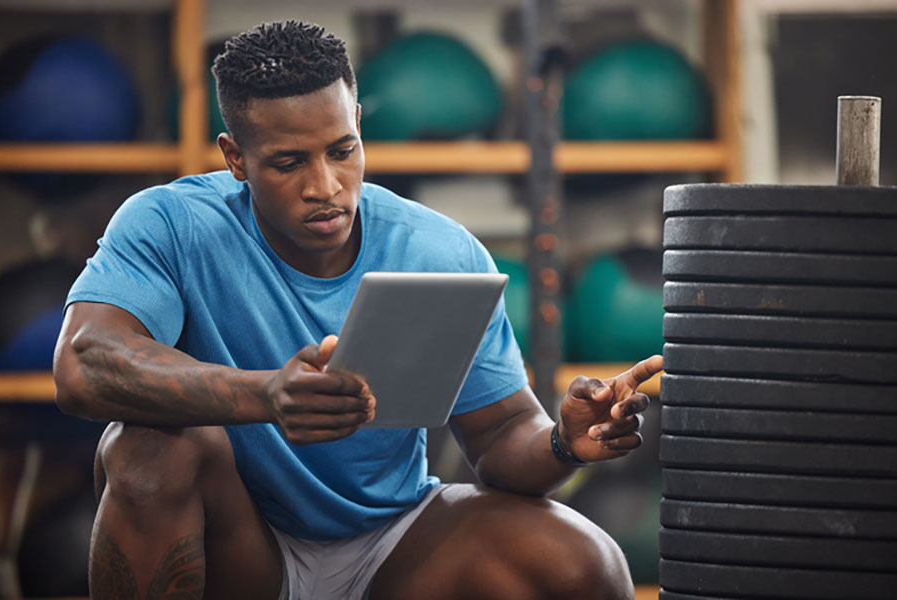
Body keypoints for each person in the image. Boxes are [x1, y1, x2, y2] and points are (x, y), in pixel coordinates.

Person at [53, 20, 662, 600]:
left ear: (359, 127)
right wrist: (265, 396)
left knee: (586, 563)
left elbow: (501, 436)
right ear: (235, 157)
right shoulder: (171, 223)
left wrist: (562, 441)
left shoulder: (438, 250)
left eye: (342, 150)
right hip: (243, 547)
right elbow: (84, 364)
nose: (325, 186)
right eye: (289, 163)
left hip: (394, 545)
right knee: (146, 453)